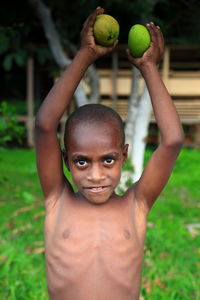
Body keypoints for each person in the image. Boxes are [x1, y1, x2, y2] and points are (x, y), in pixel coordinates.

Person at [35, 6, 184, 300]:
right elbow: (44, 126)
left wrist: (149, 68)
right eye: (81, 161)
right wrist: (85, 55)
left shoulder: (136, 205)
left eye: (108, 159)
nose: (95, 175)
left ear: (124, 156)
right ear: (65, 160)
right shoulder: (57, 200)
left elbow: (172, 141)